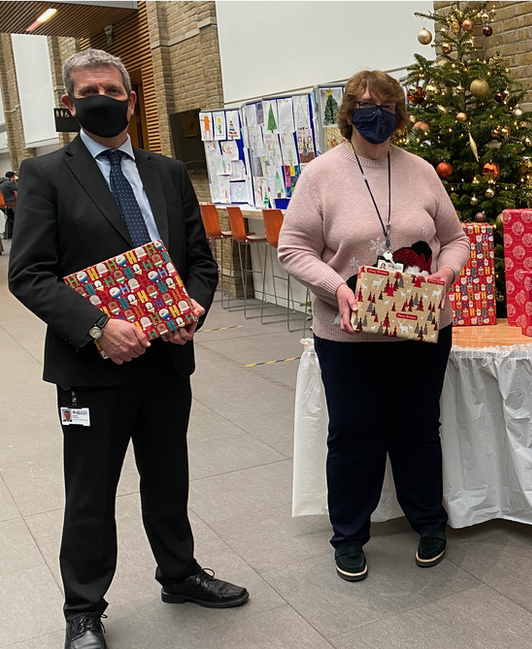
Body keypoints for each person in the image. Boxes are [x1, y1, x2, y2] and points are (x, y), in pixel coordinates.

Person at [7, 49, 248, 649]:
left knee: (168, 476)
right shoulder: (44, 177)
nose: (102, 99)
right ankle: (83, 609)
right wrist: (96, 327)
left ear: (132, 98)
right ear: (69, 104)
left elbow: (198, 259)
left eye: (113, 90)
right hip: (93, 366)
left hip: (167, 357)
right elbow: (29, 273)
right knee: (90, 490)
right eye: (88, 91)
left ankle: (180, 572)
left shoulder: (165, 173)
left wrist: (190, 309)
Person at [278, 70, 469, 582]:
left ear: (399, 112)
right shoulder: (320, 175)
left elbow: (455, 238)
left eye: (385, 103)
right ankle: (349, 535)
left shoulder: (422, 171)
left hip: (421, 327)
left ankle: (429, 522)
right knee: (353, 435)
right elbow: (293, 248)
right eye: (363, 103)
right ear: (347, 112)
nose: (374, 111)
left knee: (418, 430)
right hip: (349, 334)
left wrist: (446, 273)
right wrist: (335, 286)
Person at [1, 170, 16, 240]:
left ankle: (8, 233)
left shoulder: (1, 183)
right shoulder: (8, 183)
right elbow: (20, 189)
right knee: (16, 217)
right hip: (11, 203)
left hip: (2, 205)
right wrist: (17, 181)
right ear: (12, 177)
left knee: (10, 218)